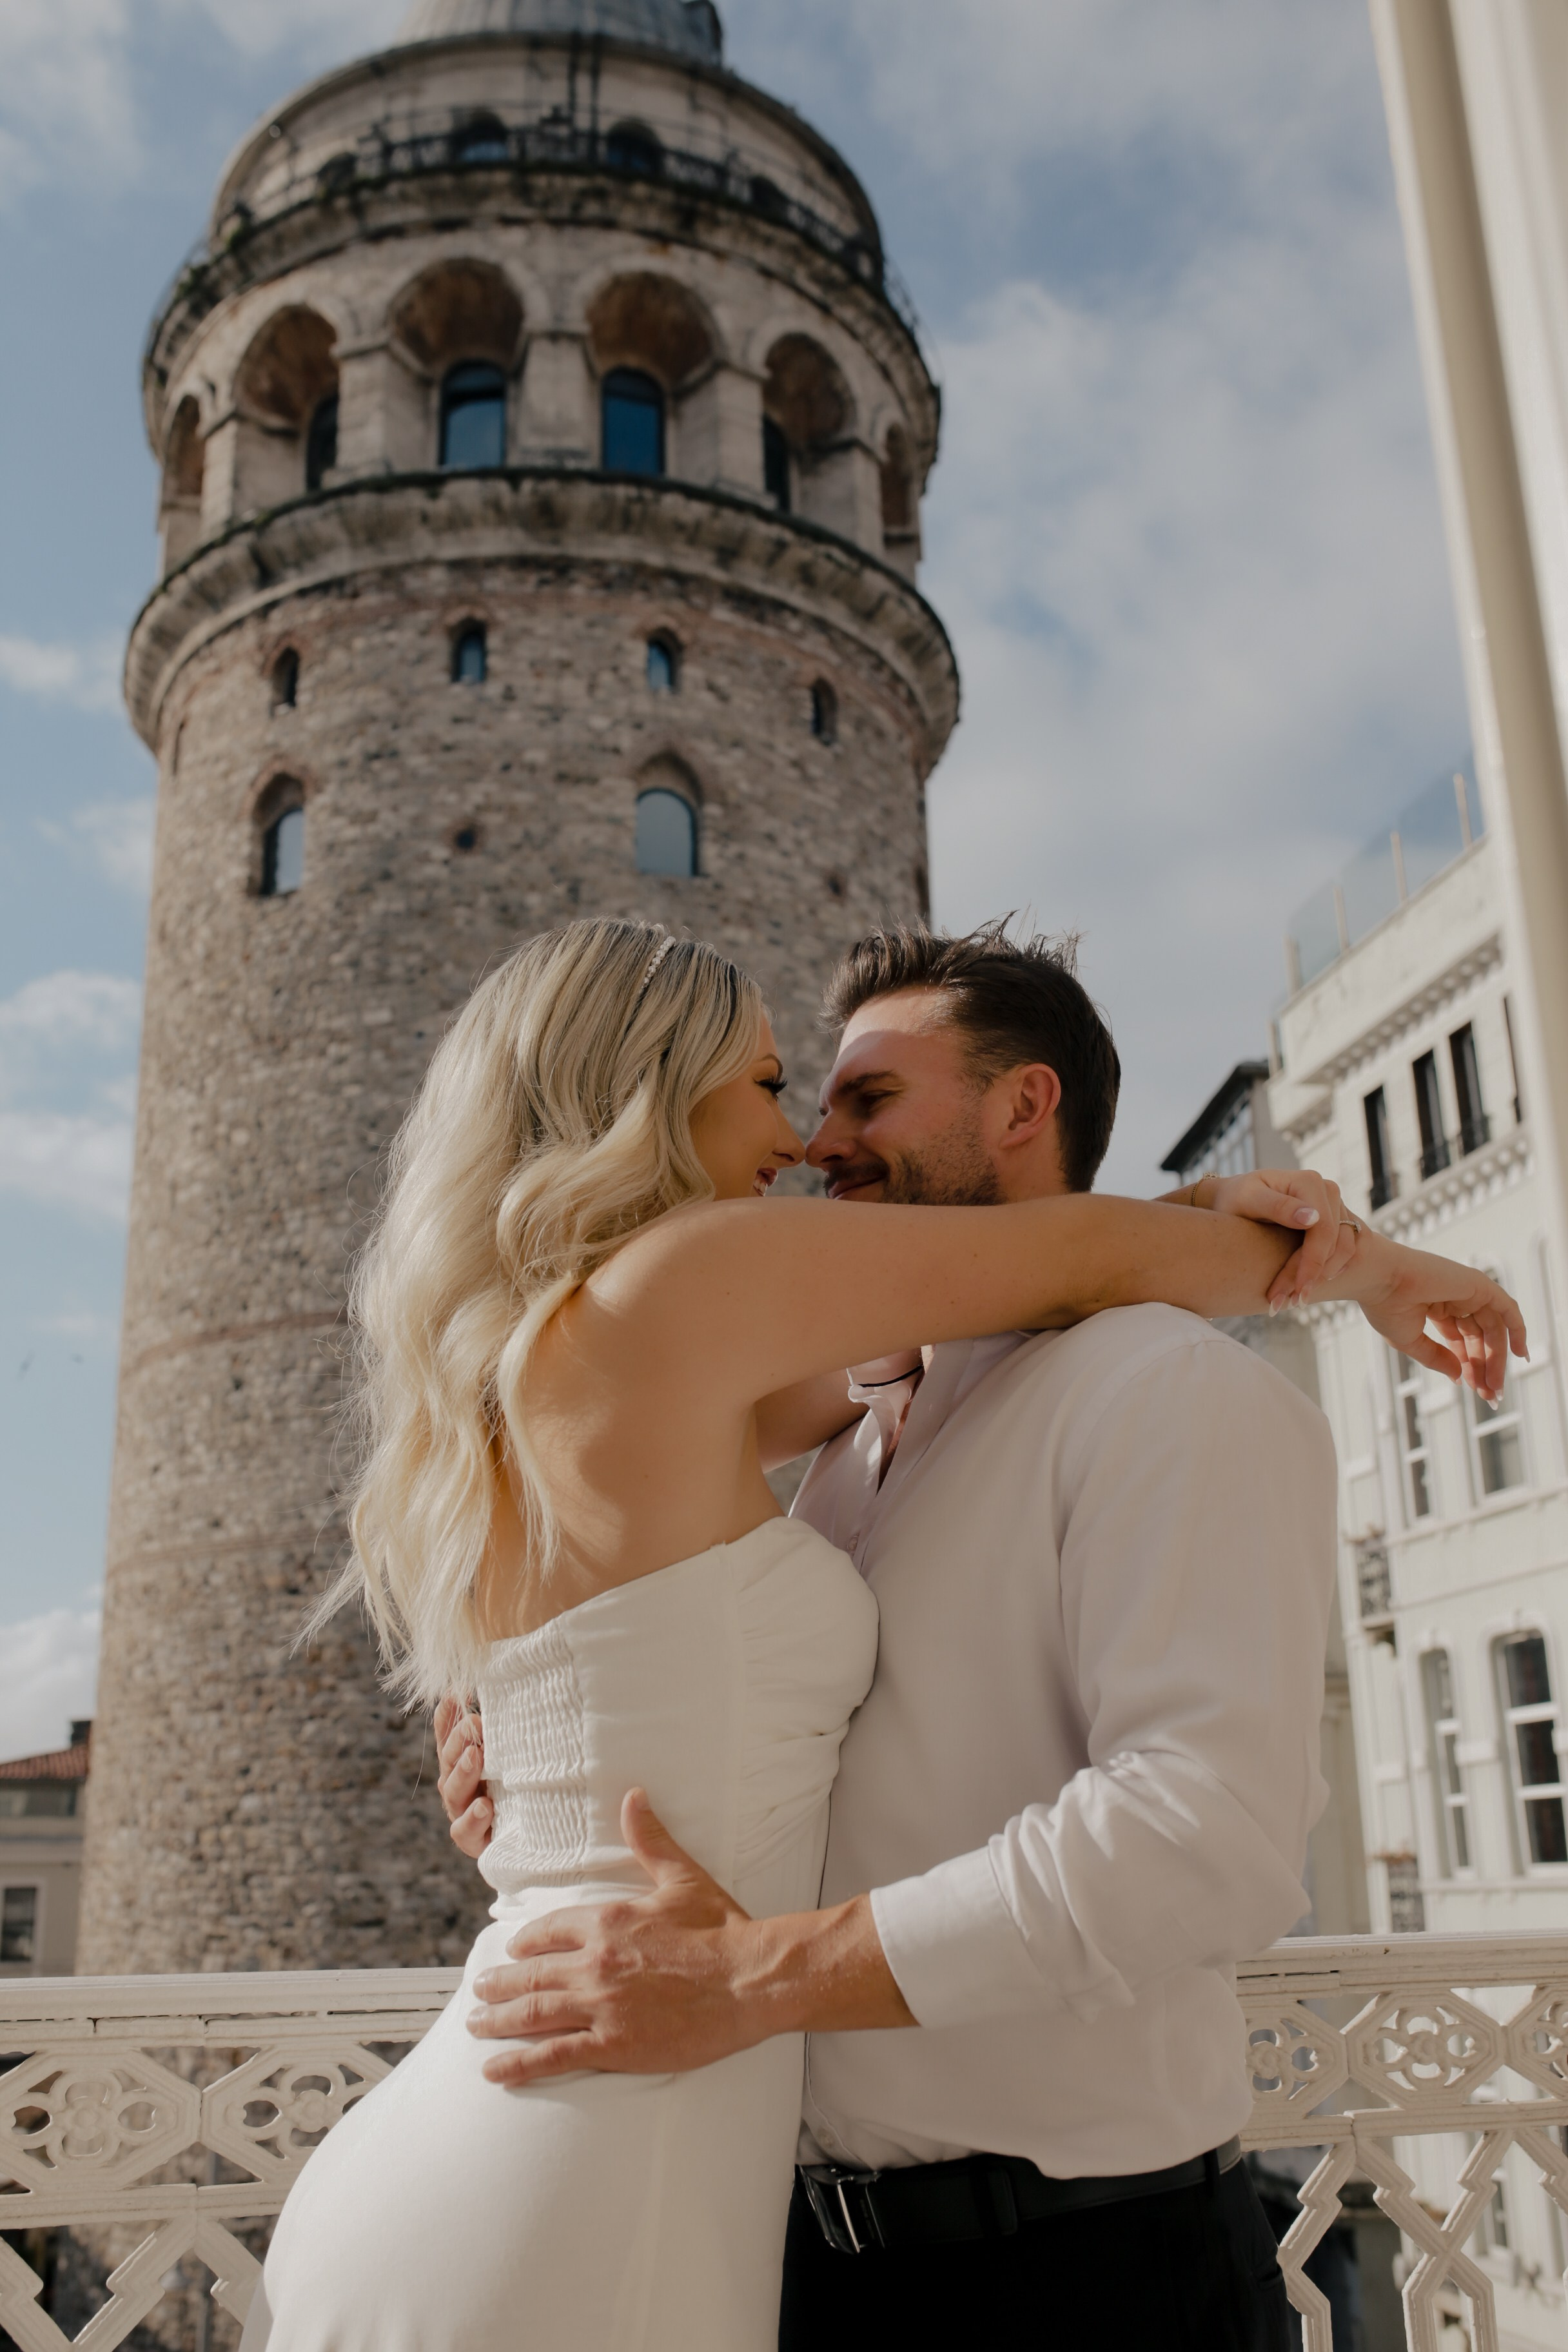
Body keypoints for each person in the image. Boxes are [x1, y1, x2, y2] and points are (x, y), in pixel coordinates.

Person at [247, 915, 1522, 2352]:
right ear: (646, 1103)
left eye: (863, 1097)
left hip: (1057, 2273)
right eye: (778, 1089)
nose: (805, 1142)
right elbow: (1084, 1256)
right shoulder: (759, 1373)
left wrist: (652, 1887)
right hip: (649, 2179)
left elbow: (1201, 1839)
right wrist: (1366, 1267)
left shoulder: (1110, 1397)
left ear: (1022, 1106)